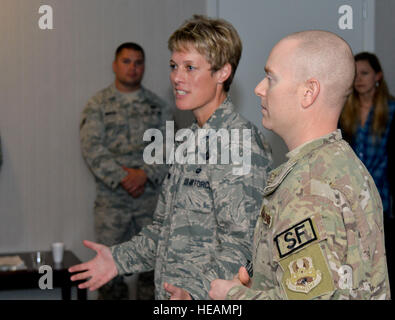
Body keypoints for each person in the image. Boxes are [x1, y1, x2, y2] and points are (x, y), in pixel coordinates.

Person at [70, 15, 272, 300]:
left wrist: (195, 293)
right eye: (174, 66)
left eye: (190, 67)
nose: (177, 77)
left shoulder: (238, 143)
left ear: (222, 73)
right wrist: (117, 259)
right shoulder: (186, 140)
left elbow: (244, 244)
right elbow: (163, 231)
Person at [209, 30, 391, 300]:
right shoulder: (339, 161)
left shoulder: (308, 188)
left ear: (308, 92)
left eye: (271, 78)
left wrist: (232, 297)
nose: (259, 88)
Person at [79, 42, 173, 300]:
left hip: (150, 201)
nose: (133, 68)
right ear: (114, 65)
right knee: (109, 276)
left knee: (152, 274)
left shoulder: (159, 106)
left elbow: (167, 147)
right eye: (126, 61)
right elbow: (92, 148)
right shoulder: (97, 104)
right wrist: (124, 177)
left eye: (138, 62)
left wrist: (143, 174)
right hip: (113, 204)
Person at [339, 52, 395, 295]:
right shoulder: (344, 110)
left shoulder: (391, 109)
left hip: (383, 190)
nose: (359, 79)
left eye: (364, 73)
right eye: (355, 74)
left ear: (378, 77)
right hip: (351, 193)